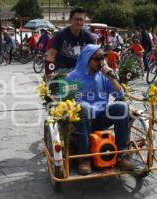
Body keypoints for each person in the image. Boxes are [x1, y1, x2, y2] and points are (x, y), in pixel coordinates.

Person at [66, 44, 134, 175]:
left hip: (100, 118)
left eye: (103, 57)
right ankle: (84, 159)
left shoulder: (103, 76)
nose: (101, 62)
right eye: (98, 59)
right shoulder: (73, 77)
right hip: (81, 120)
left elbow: (120, 95)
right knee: (83, 107)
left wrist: (110, 76)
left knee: (122, 106)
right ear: (87, 59)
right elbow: (65, 100)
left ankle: (121, 155)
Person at [46, 7, 95, 75]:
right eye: (76, 19)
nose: (79, 22)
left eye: (81, 20)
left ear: (84, 21)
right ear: (70, 20)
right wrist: (49, 73)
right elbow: (52, 54)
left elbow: (95, 54)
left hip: (81, 70)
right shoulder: (61, 35)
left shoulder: (88, 36)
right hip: (63, 70)